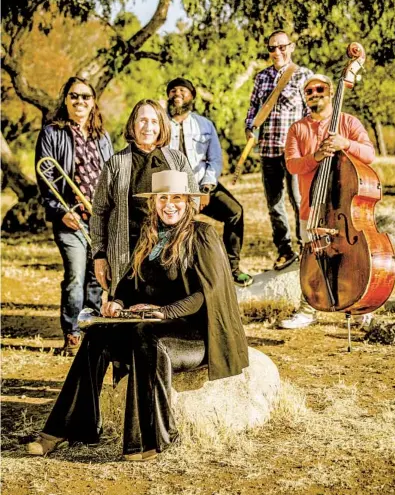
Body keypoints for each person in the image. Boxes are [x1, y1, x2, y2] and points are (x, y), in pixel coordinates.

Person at [27, 170, 249, 461]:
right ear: (154, 202)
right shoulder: (149, 233)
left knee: (147, 335)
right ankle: (65, 430)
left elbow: (208, 293)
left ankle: (150, 442)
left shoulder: (202, 234)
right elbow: (131, 283)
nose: (170, 205)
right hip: (151, 326)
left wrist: (164, 312)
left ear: (188, 202)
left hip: (196, 334)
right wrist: (117, 301)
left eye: (177, 199)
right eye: (164, 198)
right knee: (96, 334)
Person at [280, 74, 376, 329]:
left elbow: (369, 154)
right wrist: (316, 156)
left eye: (319, 89)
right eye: (308, 91)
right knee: (313, 259)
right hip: (312, 209)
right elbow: (292, 165)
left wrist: (345, 143)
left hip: (346, 209)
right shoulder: (297, 129)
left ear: (331, 92)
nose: (314, 94)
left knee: (353, 257)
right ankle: (307, 309)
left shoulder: (348, 122)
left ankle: (357, 307)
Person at [35, 76, 113, 356]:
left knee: (96, 277)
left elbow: (112, 175)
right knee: (75, 276)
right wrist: (60, 211)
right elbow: (45, 179)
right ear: (65, 100)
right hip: (70, 219)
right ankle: (72, 333)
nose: (80, 101)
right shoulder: (52, 133)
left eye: (85, 97)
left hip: (99, 219)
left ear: (93, 102)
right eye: (74, 96)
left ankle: (89, 328)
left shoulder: (102, 136)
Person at [90, 99, 199, 298]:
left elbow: (194, 201)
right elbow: (99, 212)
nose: (148, 127)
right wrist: (99, 255)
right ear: (133, 124)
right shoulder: (116, 163)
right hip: (126, 253)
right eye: (142, 120)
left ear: (162, 126)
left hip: (168, 253)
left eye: (154, 121)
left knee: (166, 311)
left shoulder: (177, 160)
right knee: (125, 310)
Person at [166, 77, 253, 287]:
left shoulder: (204, 125)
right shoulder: (160, 125)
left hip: (202, 186)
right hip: (171, 190)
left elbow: (214, 160)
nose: (177, 94)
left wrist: (205, 188)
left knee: (235, 212)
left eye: (183, 91)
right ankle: (177, 280)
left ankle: (232, 269)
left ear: (192, 97)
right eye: (173, 90)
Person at [245, 31, 313, 270]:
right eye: (272, 48)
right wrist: (249, 128)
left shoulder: (305, 75)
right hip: (268, 149)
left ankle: (306, 246)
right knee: (274, 204)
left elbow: (310, 112)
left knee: (299, 200)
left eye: (282, 47)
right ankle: (285, 250)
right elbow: (253, 107)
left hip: (294, 151)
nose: (277, 52)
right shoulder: (261, 77)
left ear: (291, 47)